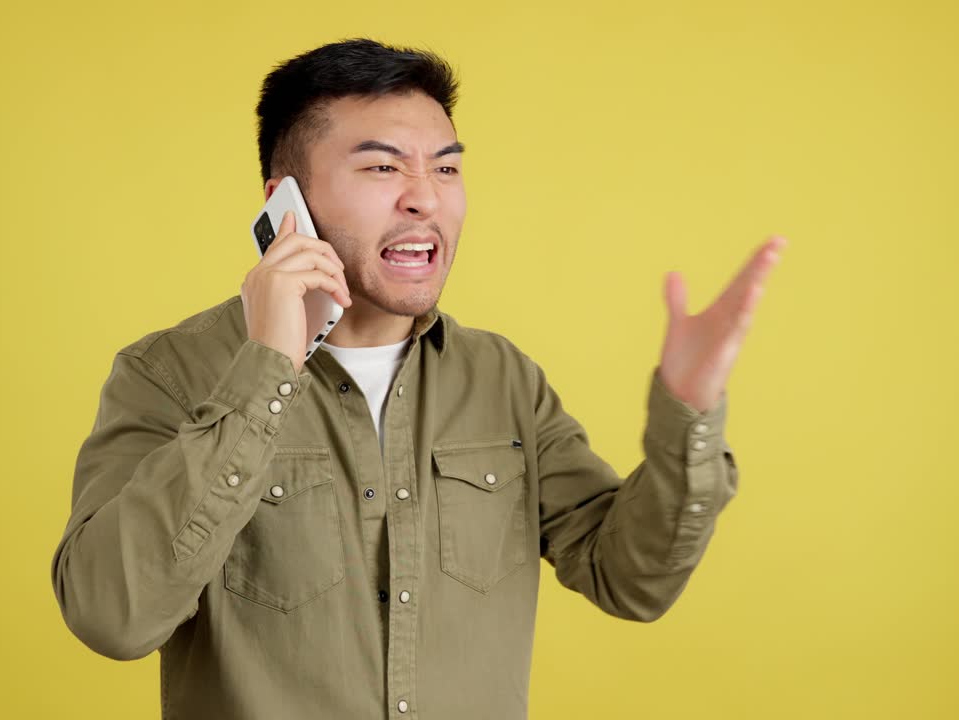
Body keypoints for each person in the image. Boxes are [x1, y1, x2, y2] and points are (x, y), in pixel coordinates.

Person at [50, 36, 785, 720]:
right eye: (382, 167)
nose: (425, 198)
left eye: (446, 167)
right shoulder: (168, 374)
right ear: (286, 202)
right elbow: (113, 617)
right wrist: (267, 369)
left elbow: (629, 579)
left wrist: (689, 409)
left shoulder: (502, 380)